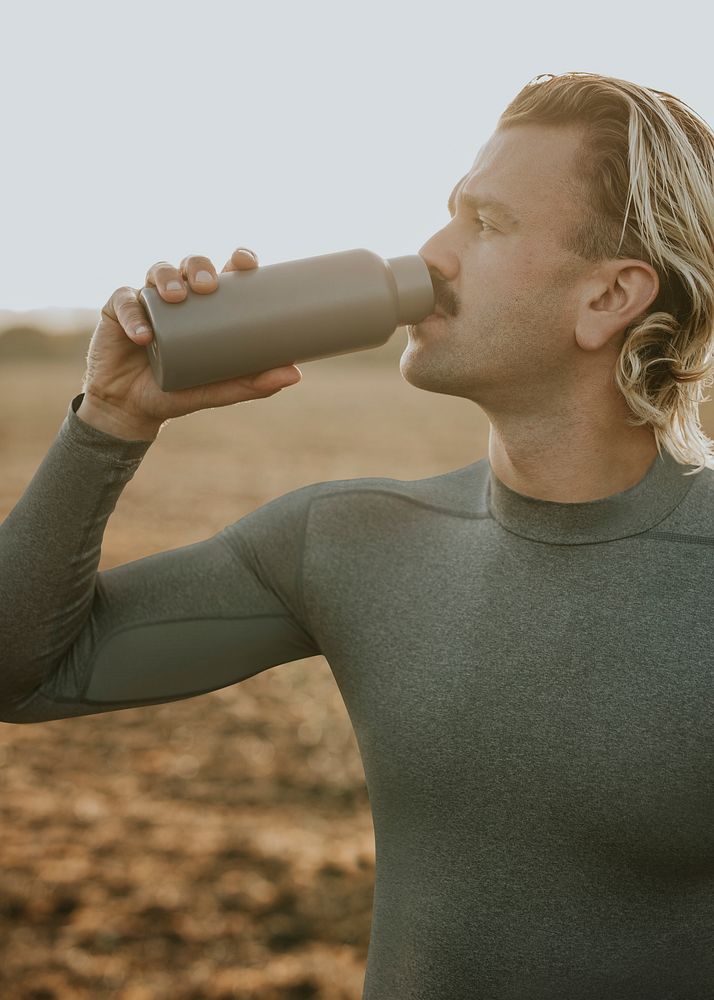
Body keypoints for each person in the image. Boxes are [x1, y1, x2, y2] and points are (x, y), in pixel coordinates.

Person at [1, 70, 713, 999]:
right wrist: (109, 418)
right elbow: (21, 671)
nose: (433, 253)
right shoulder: (345, 542)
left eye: (486, 224)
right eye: (448, 214)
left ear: (610, 297)